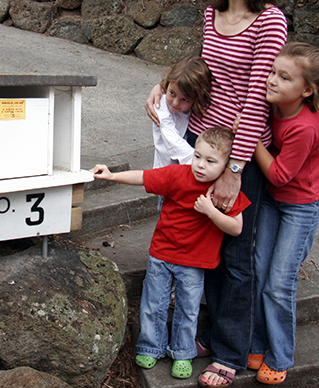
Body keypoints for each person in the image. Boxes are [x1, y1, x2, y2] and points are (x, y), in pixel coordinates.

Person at [145, 0, 288, 388]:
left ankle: (229, 350)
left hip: (238, 157)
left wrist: (236, 169)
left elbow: (255, 97)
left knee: (236, 256)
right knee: (198, 246)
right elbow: (204, 75)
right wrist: (165, 89)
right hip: (202, 150)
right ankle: (204, 333)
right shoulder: (212, 14)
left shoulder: (270, 20)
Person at [90, 127, 251, 380]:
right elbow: (144, 177)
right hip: (162, 253)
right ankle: (150, 346)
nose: (200, 165)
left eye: (210, 161)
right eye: (197, 156)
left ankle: (183, 352)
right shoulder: (178, 175)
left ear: (226, 165)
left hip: (194, 262)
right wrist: (111, 176)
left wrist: (211, 211)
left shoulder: (224, 193)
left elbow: (237, 227)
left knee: (188, 309)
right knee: (153, 302)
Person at [247, 43, 319, 385]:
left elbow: (278, 175)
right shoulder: (272, 105)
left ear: (306, 90)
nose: (271, 80)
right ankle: (257, 342)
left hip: (302, 204)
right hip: (277, 200)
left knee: (279, 281)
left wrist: (251, 137)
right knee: (259, 269)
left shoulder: (305, 127)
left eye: (283, 77)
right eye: (273, 72)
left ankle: (280, 355)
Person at [150, 56, 212, 209]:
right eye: (172, 93)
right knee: (165, 212)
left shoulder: (193, 110)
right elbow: (172, 141)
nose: (176, 103)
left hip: (182, 173)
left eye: (185, 100)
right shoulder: (162, 106)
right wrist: (198, 161)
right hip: (165, 174)